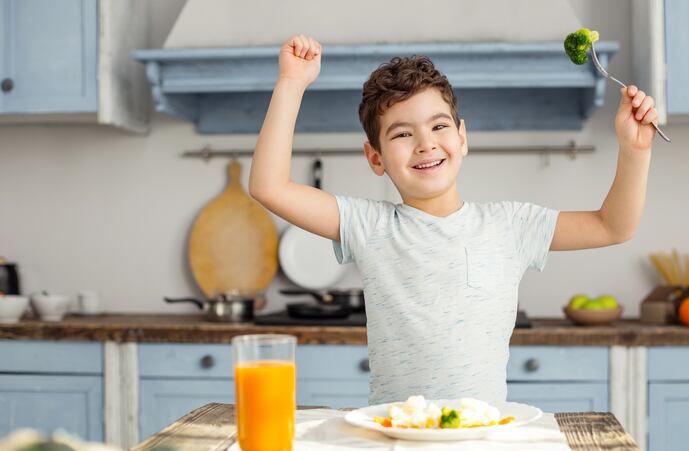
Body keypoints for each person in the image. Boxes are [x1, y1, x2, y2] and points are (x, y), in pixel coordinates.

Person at [249, 34, 659, 405]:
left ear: (462, 138)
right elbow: (269, 186)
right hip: (395, 436)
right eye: (402, 134)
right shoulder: (368, 225)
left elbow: (613, 225)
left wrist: (635, 152)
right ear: (375, 158)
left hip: (482, 438)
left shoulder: (511, 225)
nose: (426, 143)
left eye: (438, 126)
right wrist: (291, 83)